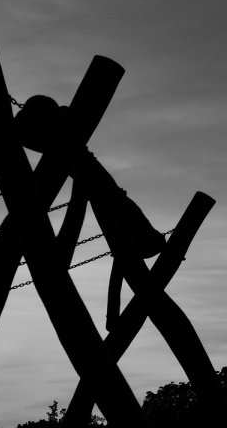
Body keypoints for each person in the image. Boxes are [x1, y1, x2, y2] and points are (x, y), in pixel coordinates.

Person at [15, 96, 166, 331]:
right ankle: (112, 316)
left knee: (123, 254)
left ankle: (112, 317)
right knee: (123, 248)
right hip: (98, 186)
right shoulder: (63, 135)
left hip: (98, 188)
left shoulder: (62, 134)